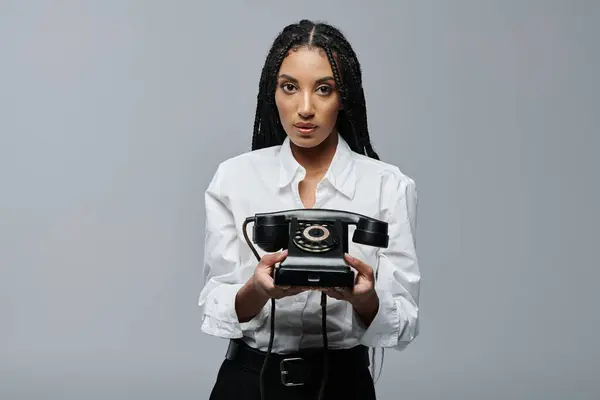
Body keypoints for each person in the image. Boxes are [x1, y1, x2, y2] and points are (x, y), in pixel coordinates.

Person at [198, 19, 420, 400]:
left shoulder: (389, 186)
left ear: (343, 97)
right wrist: (257, 288)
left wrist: (363, 297)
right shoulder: (234, 178)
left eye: (323, 89)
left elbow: (403, 322)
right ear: (273, 93)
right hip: (250, 381)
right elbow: (216, 302)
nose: (305, 108)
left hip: (343, 384)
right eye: (289, 87)